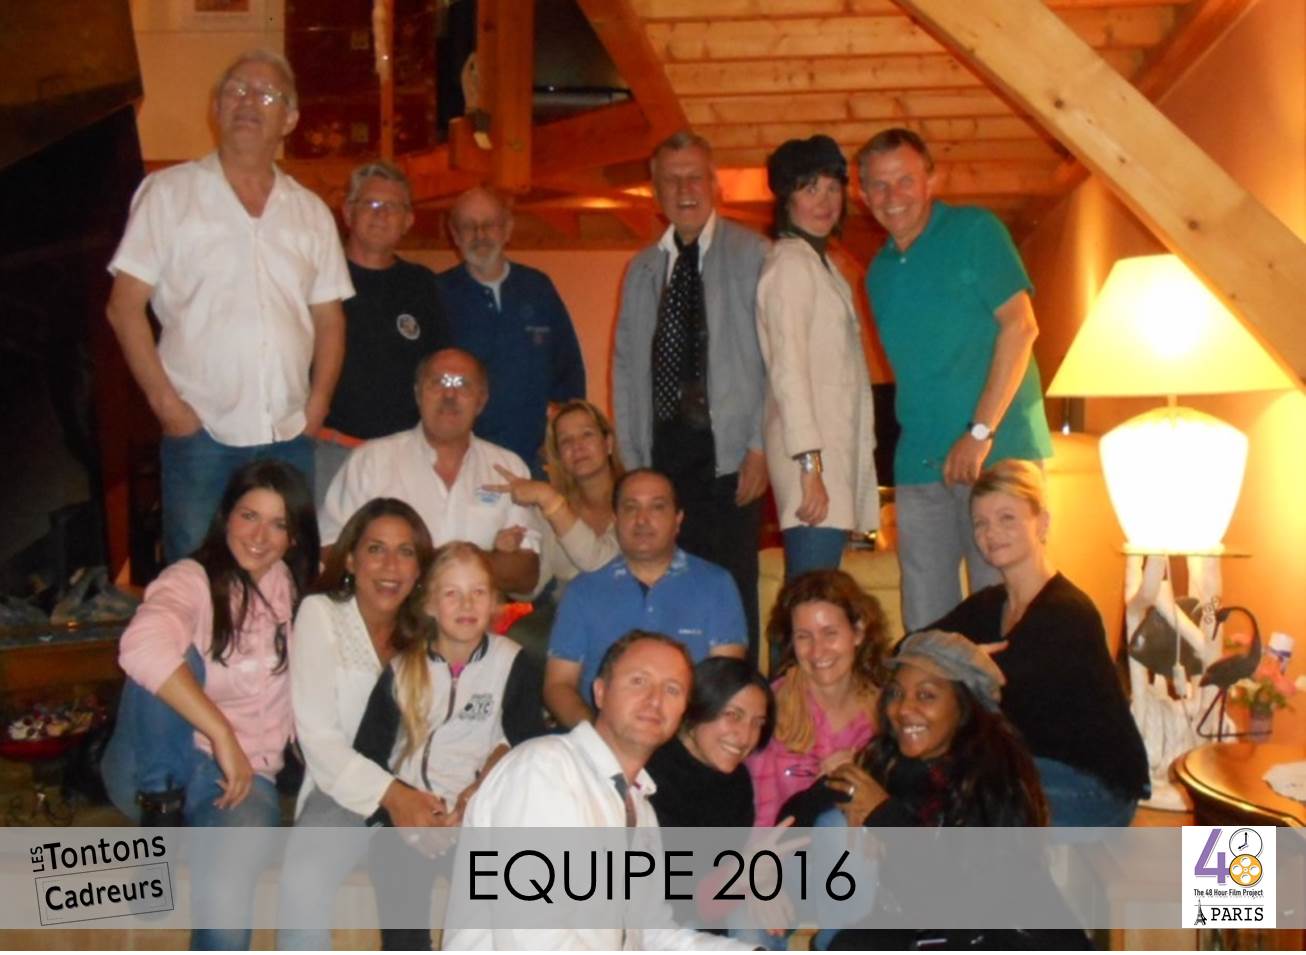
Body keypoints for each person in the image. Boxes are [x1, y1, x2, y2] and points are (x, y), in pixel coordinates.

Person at [106, 50, 351, 563]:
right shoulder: (168, 195)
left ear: (290, 118)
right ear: (216, 107)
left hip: (289, 435)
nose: (248, 102)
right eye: (236, 90)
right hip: (202, 437)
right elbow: (124, 308)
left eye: (266, 94)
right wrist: (169, 409)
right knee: (195, 581)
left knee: (285, 577)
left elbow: (329, 319)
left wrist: (318, 407)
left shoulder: (310, 212)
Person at [100, 459, 318, 950]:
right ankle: (158, 826)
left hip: (243, 779)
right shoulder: (191, 579)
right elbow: (140, 647)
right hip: (151, 766)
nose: (259, 536)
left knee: (227, 897)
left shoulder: (295, 597)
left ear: (294, 538)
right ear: (226, 517)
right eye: (249, 515)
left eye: (278, 523)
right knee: (172, 655)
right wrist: (221, 734)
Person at [856, 127, 1053, 632]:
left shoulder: (975, 232)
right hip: (920, 462)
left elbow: (1021, 327)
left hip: (996, 453)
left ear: (931, 180)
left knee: (1005, 612)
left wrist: (979, 432)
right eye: (879, 184)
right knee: (928, 626)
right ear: (864, 194)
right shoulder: (878, 273)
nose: (893, 196)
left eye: (905, 180)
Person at [444, 630, 752, 951]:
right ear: (600, 692)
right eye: (639, 681)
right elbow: (532, 936)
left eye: (672, 689)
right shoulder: (545, 769)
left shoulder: (639, 805)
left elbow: (652, 934)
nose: (655, 699)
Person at [613, 130, 770, 657]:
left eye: (694, 177)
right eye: (672, 180)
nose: (684, 190)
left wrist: (759, 446)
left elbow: (776, 363)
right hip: (663, 457)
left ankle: (736, 699)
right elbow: (625, 368)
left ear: (715, 184)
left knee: (730, 594)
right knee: (668, 593)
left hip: (729, 458)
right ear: (655, 191)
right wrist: (633, 462)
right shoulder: (642, 269)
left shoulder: (754, 255)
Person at [929, 460, 1149, 825]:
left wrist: (958, 663)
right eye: (980, 523)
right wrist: (954, 656)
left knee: (967, 802)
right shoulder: (987, 606)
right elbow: (909, 648)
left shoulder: (1067, 613)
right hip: (1027, 769)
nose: (991, 532)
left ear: (1042, 523)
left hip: (1095, 786)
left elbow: (1001, 692)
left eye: (1007, 518)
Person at [353, 541, 545, 950]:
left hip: (477, 817)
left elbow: (526, 747)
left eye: (478, 592)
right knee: (399, 895)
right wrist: (403, 809)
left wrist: (476, 799)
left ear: (494, 602)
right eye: (452, 593)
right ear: (429, 603)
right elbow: (369, 753)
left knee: (493, 912)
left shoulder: (514, 663)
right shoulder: (402, 669)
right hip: (406, 815)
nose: (466, 604)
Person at [276, 498, 443, 950]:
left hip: (428, 786)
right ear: (350, 558)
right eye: (376, 549)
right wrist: (394, 796)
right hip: (342, 790)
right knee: (302, 883)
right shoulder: (321, 614)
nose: (391, 565)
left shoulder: (432, 626)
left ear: (420, 567)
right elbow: (318, 738)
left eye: (406, 552)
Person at [320, 348, 541, 596]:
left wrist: (407, 562)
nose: (449, 394)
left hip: (473, 616)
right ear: (417, 394)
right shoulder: (370, 461)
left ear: (481, 401)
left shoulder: (508, 467)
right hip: (389, 613)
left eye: (462, 384)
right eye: (438, 382)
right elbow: (330, 552)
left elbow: (526, 574)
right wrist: (485, 558)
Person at [756, 135, 878, 580]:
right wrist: (810, 468)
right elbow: (788, 373)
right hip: (811, 467)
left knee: (817, 594)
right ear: (787, 199)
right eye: (810, 189)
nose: (825, 201)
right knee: (811, 597)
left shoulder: (820, 264)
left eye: (832, 187)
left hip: (828, 463)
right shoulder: (790, 266)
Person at [543, 469, 748, 729]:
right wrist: (596, 738)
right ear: (615, 520)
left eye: (657, 507)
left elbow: (725, 684)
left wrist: (683, 742)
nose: (642, 519)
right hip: (599, 738)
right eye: (631, 508)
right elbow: (558, 685)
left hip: (687, 738)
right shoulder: (583, 591)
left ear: (678, 519)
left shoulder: (716, 585)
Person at [314, 162, 452, 505]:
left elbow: (438, 369)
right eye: (371, 204)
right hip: (328, 451)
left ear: (408, 220)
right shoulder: (317, 277)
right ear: (348, 212)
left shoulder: (422, 285)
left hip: (403, 458)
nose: (381, 214)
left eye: (393, 207)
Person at [438, 186, 586, 471]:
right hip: (465, 461)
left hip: (538, 458)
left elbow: (569, 370)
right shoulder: (438, 294)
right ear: (454, 235)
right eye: (469, 226)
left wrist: (564, 436)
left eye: (489, 224)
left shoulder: (538, 288)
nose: (480, 235)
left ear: (507, 229)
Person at [481, 399, 624, 661]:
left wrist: (546, 497)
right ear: (559, 456)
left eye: (587, 435)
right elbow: (532, 589)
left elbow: (598, 564)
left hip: (628, 619)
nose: (577, 446)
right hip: (568, 621)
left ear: (608, 443)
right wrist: (507, 555)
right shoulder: (553, 509)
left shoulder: (633, 498)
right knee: (511, 642)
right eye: (566, 441)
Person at [747, 569, 887, 827]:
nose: (817, 651)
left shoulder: (886, 712)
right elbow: (761, 819)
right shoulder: (769, 708)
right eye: (803, 637)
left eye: (830, 633)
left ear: (858, 632)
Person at [646, 656, 774, 828]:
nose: (745, 737)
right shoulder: (650, 776)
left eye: (757, 723)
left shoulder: (737, 782)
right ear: (698, 708)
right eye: (732, 715)